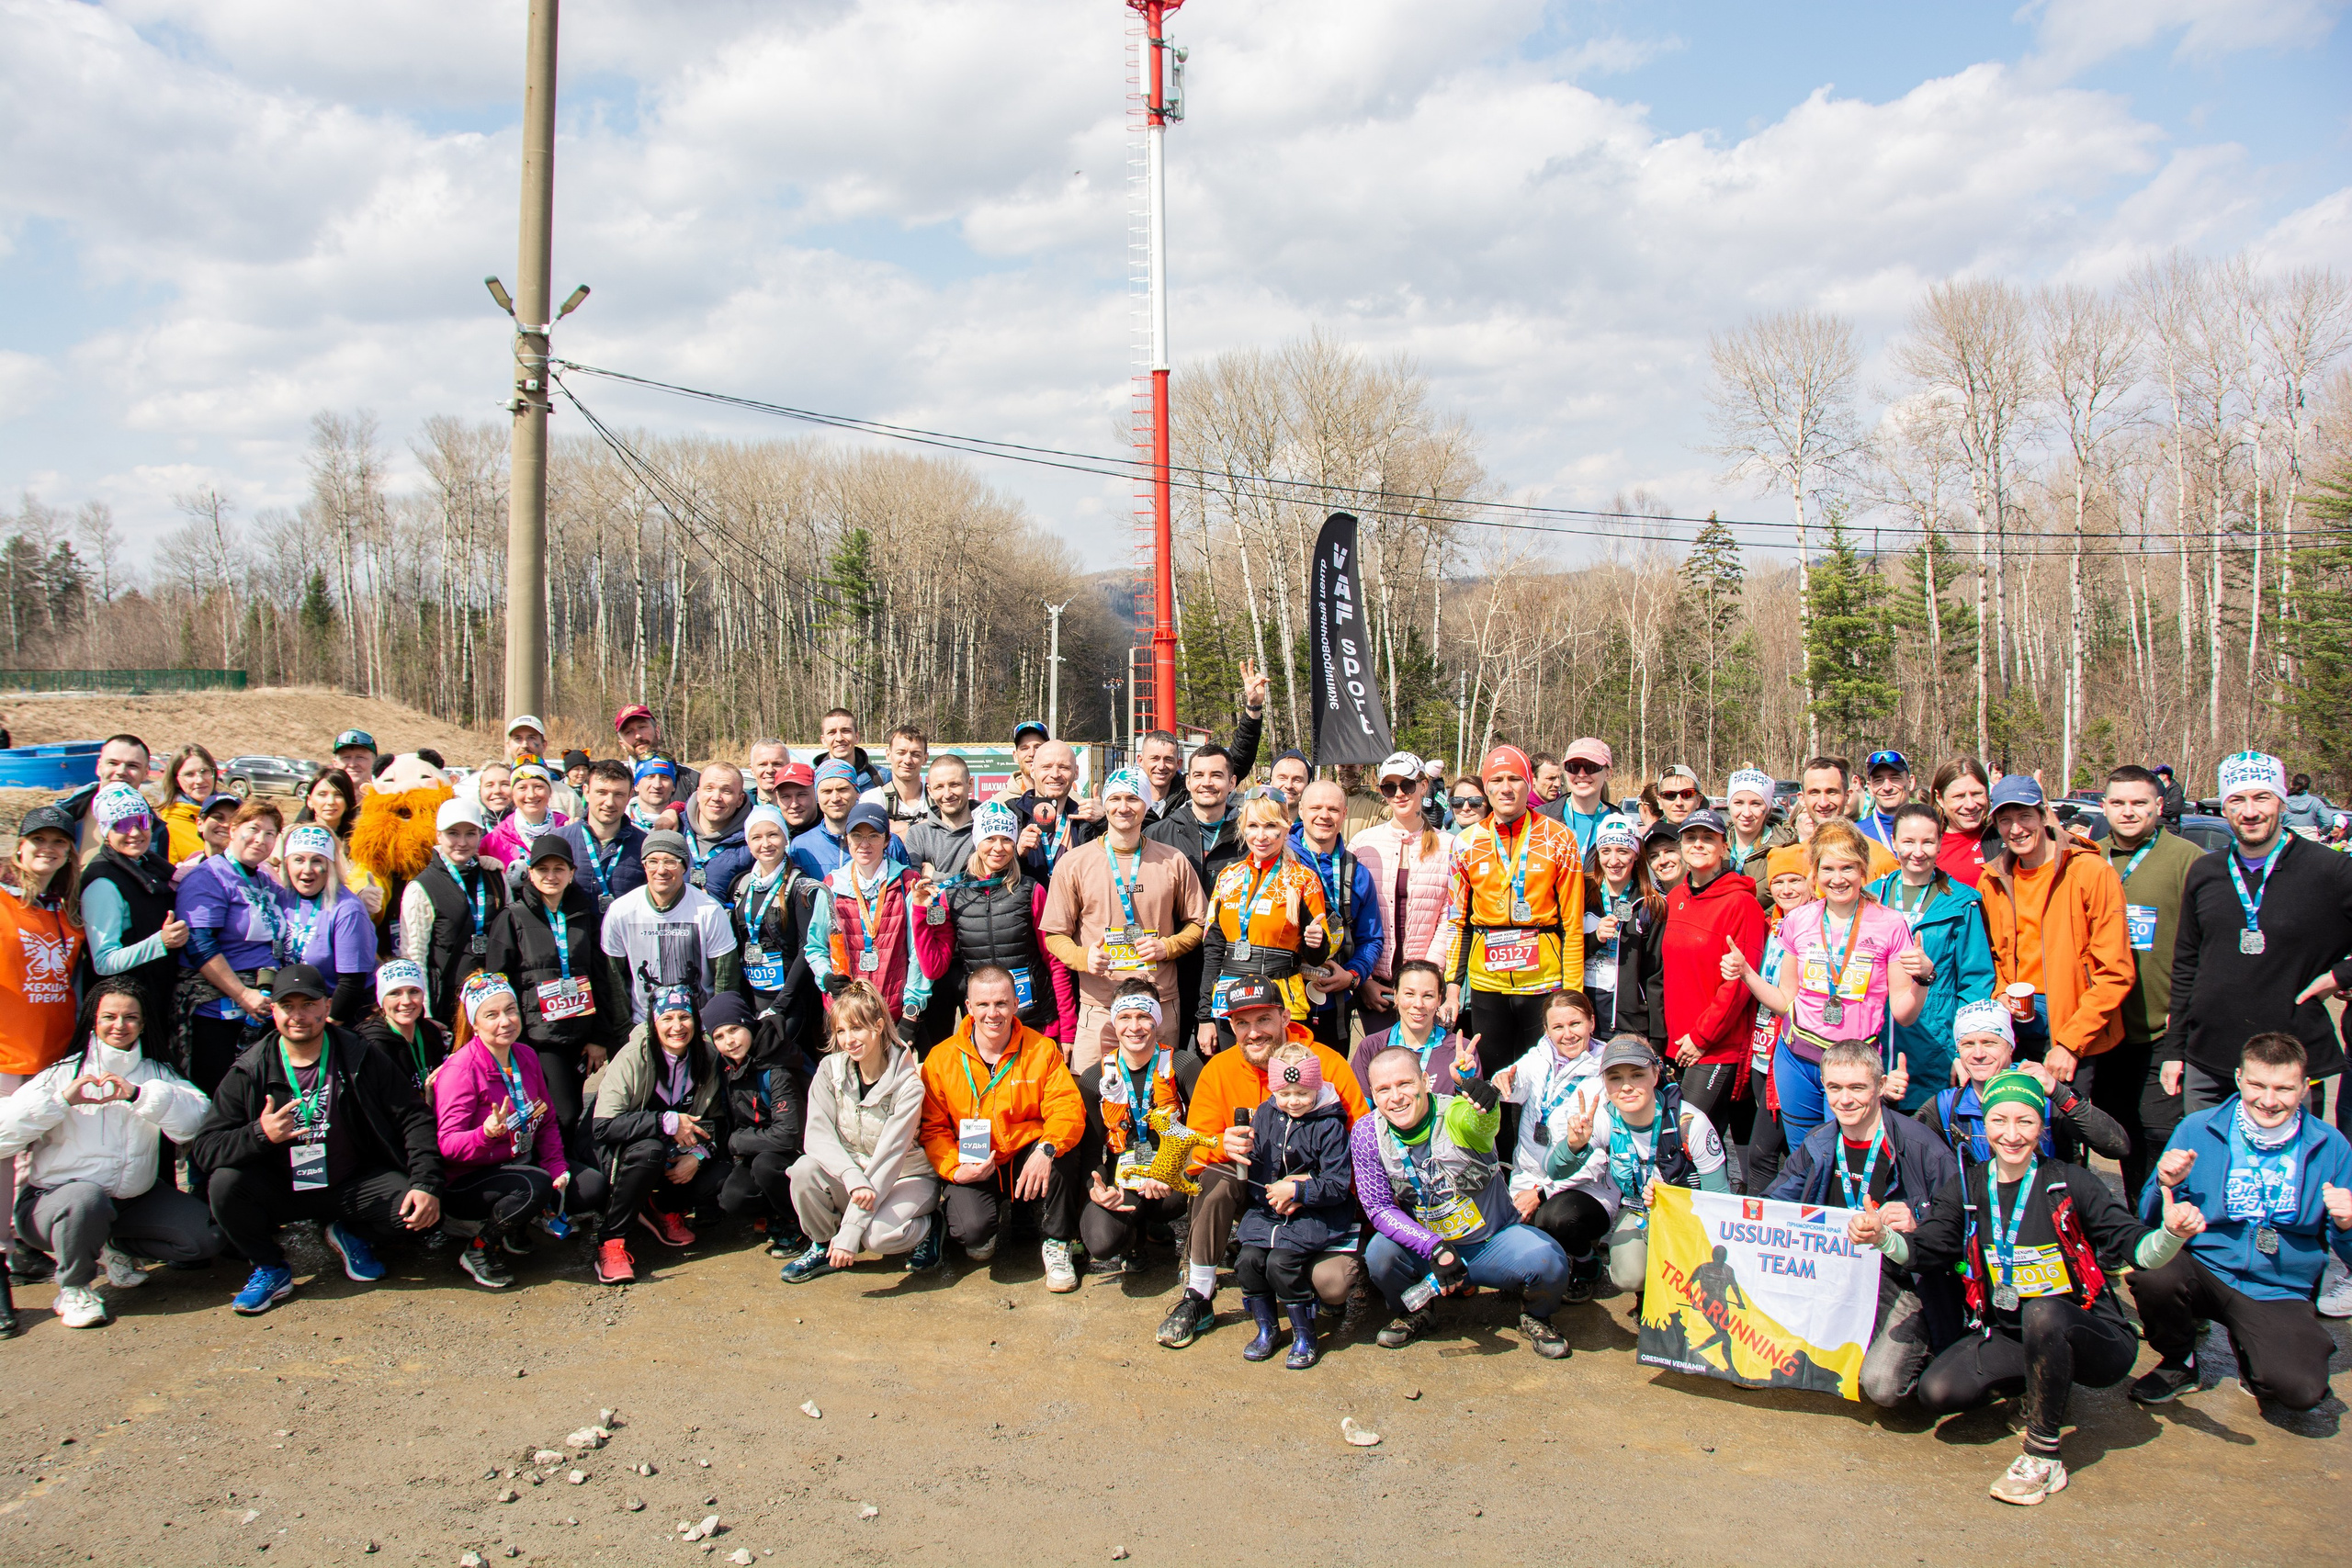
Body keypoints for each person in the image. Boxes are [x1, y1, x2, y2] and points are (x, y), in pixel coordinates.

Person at [1852, 1068, 2204, 1506]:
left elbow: (2141, 1252)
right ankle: (2042, 1385)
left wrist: (2170, 1234)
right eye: (1999, 1121)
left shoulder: (2071, 1182)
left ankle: (2042, 1455)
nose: (2012, 1135)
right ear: (1985, 1123)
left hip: (2093, 1335)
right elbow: (1927, 1249)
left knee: (2045, 1310)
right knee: (1938, 1392)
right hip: (2011, 1330)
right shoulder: (1970, 1185)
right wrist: (1882, 1237)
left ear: (2041, 1126)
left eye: (2025, 1122)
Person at [194, 964, 444, 1315]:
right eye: (288, 1006)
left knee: (419, 1209)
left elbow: (412, 1115)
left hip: (348, 1183)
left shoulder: (358, 1054)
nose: (299, 1016)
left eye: (309, 1004)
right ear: (274, 1011)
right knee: (225, 1184)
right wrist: (260, 1135)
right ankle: (270, 1268)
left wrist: (425, 1182)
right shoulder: (250, 1069)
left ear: (327, 1006)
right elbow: (205, 1149)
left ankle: (351, 1234)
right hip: (281, 1188)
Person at [2128, 1031, 2352, 1406]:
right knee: (2153, 1273)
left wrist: (2347, 1224)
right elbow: (2147, 1219)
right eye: (2257, 1085)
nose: (2268, 1100)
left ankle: (2252, 1350)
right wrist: (2163, 1184)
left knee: (2298, 1392)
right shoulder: (2197, 1128)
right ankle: (2180, 1360)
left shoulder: (2332, 1147)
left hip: (2278, 1287)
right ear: (2238, 1078)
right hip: (2205, 1267)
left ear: (2304, 1087)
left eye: (2283, 1088)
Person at [1156, 977, 1370, 1347]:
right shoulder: (1219, 1070)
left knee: (1332, 1287)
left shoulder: (1328, 1064)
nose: (1253, 1033)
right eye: (1242, 1023)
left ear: (1285, 1016)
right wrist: (1219, 1143)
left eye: (1264, 1020)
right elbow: (1190, 1157)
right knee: (1215, 1179)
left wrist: (1311, 1192)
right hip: (1256, 1199)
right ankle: (1199, 1296)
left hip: (1318, 1203)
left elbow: (1360, 1151)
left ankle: (1308, 1280)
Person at [0, 980, 220, 1328]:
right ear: (92, 1020)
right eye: (110, 1016)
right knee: (86, 1199)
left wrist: (140, 1095)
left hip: (130, 1201)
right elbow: (2, 1135)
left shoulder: (157, 1073)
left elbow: (197, 1124)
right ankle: (73, 1288)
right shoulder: (61, 1074)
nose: (120, 1025)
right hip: (54, 1206)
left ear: (144, 1024)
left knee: (206, 1237)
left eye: (131, 1017)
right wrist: (59, 1102)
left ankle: (109, 1246)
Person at [1764, 1042, 1962, 1407]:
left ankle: (1935, 1354)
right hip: (1840, 1276)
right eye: (1835, 1088)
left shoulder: (1923, 1147)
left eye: (1858, 1087)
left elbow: (1962, 1227)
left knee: (1881, 1385)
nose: (1845, 1099)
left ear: (1881, 1085)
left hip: (1906, 1282)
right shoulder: (1819, 1143)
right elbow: (1772, 1207)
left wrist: (1919, 1221)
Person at [1356, 1034, 1572, 1358]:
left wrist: (1485, 1102)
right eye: (1383, 1089)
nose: (1396, 1097)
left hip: (1491, 1243)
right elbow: (1378, 1207)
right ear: (1372, 1093)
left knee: (1549, 1260)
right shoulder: (1366, 1133)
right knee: (1380, 1256)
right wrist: (1433, 1246)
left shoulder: (1455, 1112)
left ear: (1426, 1081)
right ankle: (1418, 1313)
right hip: (1428, 1247)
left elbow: (1479, 1123)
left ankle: (1535, 1315)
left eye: (1405, 1083)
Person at [2164, 750, 2352, 1117]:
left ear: (2282, 802)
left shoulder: (2329, 870)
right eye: (2237, 799)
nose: (2249, 812)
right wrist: (2174, 1051)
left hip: (2287, 1067)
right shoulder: (2206, 871)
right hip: (2207, 1059)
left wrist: (2340, 975)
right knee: (2206, 1169)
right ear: (2224, 806)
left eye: (2261, 797)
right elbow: (2186, 963)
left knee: (2289, 1172)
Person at [918, 965, 1090, 1289]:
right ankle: (977, 1220)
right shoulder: (940, 1060)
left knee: (1064, 1152)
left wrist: (1047, 1148)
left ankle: (1057, 1243)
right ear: (968, 1007)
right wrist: (956, 1170)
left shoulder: (1042, 1049)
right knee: (973, 1234)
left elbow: (1068, 1108)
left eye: (1001, 1004)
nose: (992, 1014)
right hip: (974, 1159)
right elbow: (933, 1130)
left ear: (1015, 1004)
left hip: (1025, 1153)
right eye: (983, 1005)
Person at [1433, 745, 1586, 1095]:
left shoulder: (1559, 839)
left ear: (1527, 783)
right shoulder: (1466, 843)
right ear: (1486, 788)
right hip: (1488, 985)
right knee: (1492, 1082)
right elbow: (1458, 921)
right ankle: (1497, 1151)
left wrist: (1573, 993)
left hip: (1544, 983)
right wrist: (1453, 989)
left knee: (1540, 1082)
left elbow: (1573, 924)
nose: (1506, 787)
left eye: (1515, 778)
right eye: (1496, 779)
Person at [1540, 1035, 1732, 1303]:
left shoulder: (1691, 1123)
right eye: (1615, 1078)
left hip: (1689, 1215)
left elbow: (1720, 1199)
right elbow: (1554, 1171)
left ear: (1655, 1074)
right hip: (1638, 1209)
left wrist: (1678, 1205)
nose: (1626, 1086)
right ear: (1604, 1084)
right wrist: (1574, 1145)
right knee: (1628, 1276)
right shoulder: (1605, 1118)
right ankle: (1646, 1290)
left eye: (1637, 1075)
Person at [1039, 769, 1207, 1071]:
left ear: (1145, 804)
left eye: (1133, 798)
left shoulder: (1173, 860)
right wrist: (1081, 956)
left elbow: (1200, 923)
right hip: (1100, 1005)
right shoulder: (1074, 863)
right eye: (1114, 798)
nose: (1123, 806)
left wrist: (1167, 947)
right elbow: (1054, 935)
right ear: (1105, 804)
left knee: (1161, 1097)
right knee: (1094, 1097)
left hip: (1159, 1002)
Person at [782, 980, 942, 1281]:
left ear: (879, 1026)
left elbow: (890, 1157)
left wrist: (852, 1230)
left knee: (875, 1238)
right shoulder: (829, 1070)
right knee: (803, 1171)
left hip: (905, 1176)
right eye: (841, 1031)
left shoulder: (908, 1085)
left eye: (856, 1028)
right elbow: (817, 1135)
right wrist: (852, 1177)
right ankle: (824, 1245)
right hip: (856, 1173)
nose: (848, 1040)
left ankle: (929, 1227)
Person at [1979, 774, 2133, 1087]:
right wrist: (1999, 995)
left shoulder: (2091, 872)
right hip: (2016, 1023)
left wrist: (2071, 1044)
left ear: (2044, 814)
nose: (2016, 829)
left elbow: (2116, 972)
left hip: (2072, 1025)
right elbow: (1993, 956)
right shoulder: (1992, 880)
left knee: (2064, 1130)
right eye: (2005, 820)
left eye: (2025, 816)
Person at [483, 833, 620, 1180]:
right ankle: (549, 1178)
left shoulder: (584, 914)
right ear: (529, 873)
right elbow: (498, 982)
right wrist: (509, 1039)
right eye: (542, 868)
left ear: (572, 872)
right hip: (537, 1038)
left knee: (572, 1112)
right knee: (559, 1112)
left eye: (559, 868)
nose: (551, 875)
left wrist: (599, 1035)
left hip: (580, 1031)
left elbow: (600, 976)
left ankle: (567, 1180)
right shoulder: (512, 917)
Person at [2095, 764, 2203, 1202]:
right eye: (2118, 803)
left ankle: (2157, 1232)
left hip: (2161, 1026)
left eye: (2139, 802)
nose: (2128, 812)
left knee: (2160, 1135)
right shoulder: (2086, 854)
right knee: (2114, 1133)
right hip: (2101, 1027)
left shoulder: (2188, 860)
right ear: (2104, 807)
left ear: (2160, 806)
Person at [434, 973, 573, 1289]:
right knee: (534, 1186)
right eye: (492, 1015)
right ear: (475, 1023)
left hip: (517, 1162)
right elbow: (448, 1146)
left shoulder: (524, 1054)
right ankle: (481, 1247)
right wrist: (485, 1133)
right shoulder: (460, 1070)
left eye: (510, 1010)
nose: (505, 1021)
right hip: (468, 1180)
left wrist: (557, 1168)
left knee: (586, 1188)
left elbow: (547, 1118)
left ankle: (515, 1225)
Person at [1234, 1039, 1359, 1369]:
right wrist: (1249, 1158)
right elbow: (1260, 1168)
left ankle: (1305, 1333)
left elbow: (1336, 1183)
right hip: (1270, 1212)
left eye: (1303, 1093)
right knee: (1247, 1260)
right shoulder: (1264, 1113)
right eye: (1285, 1094)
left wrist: (1299, 1193)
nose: (1294, 1102)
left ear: (1316, 1087)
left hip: (1315, 1213)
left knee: (1281, 1264)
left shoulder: (1330, 1124)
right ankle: (1267, 1328)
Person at [590, 983, 726, 1283]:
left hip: (677, 1151)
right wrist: (666, 1122)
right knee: (650, 1150)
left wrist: (699, 1156)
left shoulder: (707, 1055)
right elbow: (602, 1126)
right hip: (626, 1149)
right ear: (654, 1022)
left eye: (684, 1017)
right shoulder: (634, 1055)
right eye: (667, 1019)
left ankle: (663, 1209)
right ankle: (611, 1241)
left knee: (717, 1174)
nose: (677, 1026)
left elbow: (716, 1121)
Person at [1868, 802, 1996, 1112]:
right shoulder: (1871, 897)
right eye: (1909, 841)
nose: (1918, 851)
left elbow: (1976, 982)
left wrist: (1962, 1051)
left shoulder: (1963, 902)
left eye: (1928, 841)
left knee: (1926, 1143)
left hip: (1934, 1046)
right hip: (1874, 1041)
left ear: (1940, 843)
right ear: (1894, 842)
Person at [1658, 809, 1770, 1139]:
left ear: (1724, 846)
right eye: (1691, 838)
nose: (1698, 845)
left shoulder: (1741, 904)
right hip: (1677, 1043)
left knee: (1686, 1140)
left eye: (1709, 838)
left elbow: (1738, 984)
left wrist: (1701, 1037)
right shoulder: (1677, 897)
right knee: (1700, 1144)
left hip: (1714, 1046)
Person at [1917, 1001, 2130, 1167]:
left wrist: (2060, 1093)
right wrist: (1885, 1098)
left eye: (1989, 1042)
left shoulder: (2043, 1094)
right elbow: (1898, 1151)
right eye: (1968, 1044)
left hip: (2042, 1214)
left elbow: (2117, 1146)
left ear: (2011, 1047)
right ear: (1958, 1051)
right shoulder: (1947, 1106)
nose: (1978, 1054)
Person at [1196, 793, 1333, 1049]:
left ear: (1286, 827)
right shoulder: (1228, 877)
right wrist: (1204, 1016)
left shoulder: (1304, 879)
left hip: (1281, 999)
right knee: (1238, 1080)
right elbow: (1213, 949)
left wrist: (1316, 942)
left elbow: (1316, 958)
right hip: (1230, 998)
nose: (1261, 836)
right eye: (1253, 826)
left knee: (1285, 1082)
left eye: (1271, 826)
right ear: (1242, 828)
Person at [1491, 989, 1604, 1294]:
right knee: (1510, 1252)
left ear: (1592, 1023)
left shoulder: (1606, 1070)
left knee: (1557, 1219)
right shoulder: (1540, 1054)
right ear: (1546, 1030)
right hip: (1530, 1177)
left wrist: (1542, 1193)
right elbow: (1519, 1080)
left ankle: (1586, 1261)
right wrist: (1505, 1080)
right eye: (1558, 1027)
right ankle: (1555, 1251)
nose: (1567, 1034)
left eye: (1575, 1024)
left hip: (1583, 1186)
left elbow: (1598, 1158)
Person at [1076, 984, 1192, 1278]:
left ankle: (1194, 1256)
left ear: (1157, 1019)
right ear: (1114, 1022)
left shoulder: (1183, 1065)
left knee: (1187, 1192)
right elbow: (1091, 1153)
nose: (1134, 1027)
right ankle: (1132, 1241)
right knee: (1101, 1242)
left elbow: (1206, 1130)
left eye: (1144, 1016)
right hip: (1123, 1172)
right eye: (1125, 1017)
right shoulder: (1094, 1078)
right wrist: (1095, 1188)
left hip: (1171, 1172)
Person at [803, 801, 953, 1028]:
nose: (864, 844)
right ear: (847, 839)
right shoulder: (832, 885)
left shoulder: (907, 883)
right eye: (856, 835)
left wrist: (912, 1008)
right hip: (846, 1015)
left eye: (873, 835)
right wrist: (825, 977)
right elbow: (816, 946)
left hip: (893, 1013)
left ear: (886, 840)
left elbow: (917, 952)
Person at [174, 798, 284, 1096]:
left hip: (262, 1007)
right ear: (233, 829)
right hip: (219, 1013)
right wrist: (242, 993)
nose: (261, 839)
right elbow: (199, 943)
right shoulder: (208, 876)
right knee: (221, 1102)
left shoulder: (265, 881)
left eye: (271, 833)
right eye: (254, 829)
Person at [1348, 752, 1458, 1038]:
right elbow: (1352, 917)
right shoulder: (1363, 843)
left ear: (1423, 785)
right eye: (1389, 787)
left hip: (1425, 989)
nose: (1399, 794)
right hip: (1376, 986)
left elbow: (1450, 915)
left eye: (1407, 785)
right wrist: (1364, 979)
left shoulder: (1449, 846)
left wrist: (1428, 974)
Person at [79, 784, 189, 1060]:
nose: (135, 832)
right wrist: (160, 942)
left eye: (141, 821)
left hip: (153, 1000)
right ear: (106, 831)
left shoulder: (149, 864)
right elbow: (104, 961)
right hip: (123, 1018)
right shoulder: (103, 882)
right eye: (122, 825)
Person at [940, 801, 1061, 1046]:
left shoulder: (1031, 890)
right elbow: (934, 967)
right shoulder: (952, 894)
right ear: (977, 842)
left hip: (1034, 1022)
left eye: (1006, 839)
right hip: (984, 1024)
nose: (998, 848)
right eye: (989, 839)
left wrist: (1065, 1028)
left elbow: (1054, 961)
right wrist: (921, 913)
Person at [1147, 742, 1246, 1027]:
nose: (1207, 783)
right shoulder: (1158, 835)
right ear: (1188, 781)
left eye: (1216, 775)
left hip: (1232, 965)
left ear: (1232, 782)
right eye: (1199, 775)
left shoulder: (1250, 838)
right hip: (1175, 965)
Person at [601, 830, 740, 1029]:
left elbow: (725, 977)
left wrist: (714, 1029)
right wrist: (624, 1031)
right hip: (643, 1025)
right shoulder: (621, 910)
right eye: (653, 861)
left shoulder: (709, 910)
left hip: (697, 1025)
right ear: (644, 865)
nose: (661, 870)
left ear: (684, 866)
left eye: (670, 861)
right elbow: (614, 979)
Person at [706, 990, 807, 1253]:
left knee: (765, 1166)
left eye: (734, 1029)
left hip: (797, 1152)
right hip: (759, 1147)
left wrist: (736, 1142)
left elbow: (788, 1134)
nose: (729, 1042)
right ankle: (775, 1213)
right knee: (732, 1198)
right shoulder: (727, 1066)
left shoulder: (777, 1066)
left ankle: (799, 1222)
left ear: (748, 1023)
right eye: (719, 1036)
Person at [397, 797, 507, 1030]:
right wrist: (424, 1015)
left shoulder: (495, 876)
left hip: (495, 1003)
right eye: (453, 833)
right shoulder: (421, 887)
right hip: (446, 1006)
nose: (462, 842)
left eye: (470, 834)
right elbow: (414, 956)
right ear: (438, 836)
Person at [1290, 779, 1385, 1052]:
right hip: (1284, 1001)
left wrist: (1353, 975)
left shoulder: (1358, 873)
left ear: (1344, 814)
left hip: (1335, 1003)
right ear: (1302, 811)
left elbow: (1371, 939)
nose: (1324, 815)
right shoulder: (1278, 861)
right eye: (1316, 807)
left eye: (1333, 809)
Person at [730, 804, 824, 1061]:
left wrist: (781, 1005)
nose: (766, 843)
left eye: (773, 834)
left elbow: (807, 948)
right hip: (753, 995)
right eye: (756, 837)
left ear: (785, 838)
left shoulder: (799, 885)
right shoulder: (741, 885)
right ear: (748, 843)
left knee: (781, 1062)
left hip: (791, 999)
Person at [277, 823, 380, 1024]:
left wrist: (325, 1028)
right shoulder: (282, 898)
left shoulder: (347, 909)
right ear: (287, 863)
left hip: (340, 1014)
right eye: (299, 860)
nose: (307, 870)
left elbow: (351, 984)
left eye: (317, 861)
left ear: (330, 866)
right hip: (296, 1011)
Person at [1578, 816, 1665, 1043]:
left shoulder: (1650, 903)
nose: (1613, 860)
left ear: (1636, 854)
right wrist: (1595, 938)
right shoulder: (1581, 892)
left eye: (1623, 851)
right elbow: (1564, 950)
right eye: (1605, 851)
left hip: (1628, 1021)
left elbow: (1655, 974)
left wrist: (1657, 1037)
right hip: (1583, 1014)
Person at [291, 768, 387, 917]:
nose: (330, 802)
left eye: (338, 795)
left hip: (346, 917)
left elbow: (366, 876)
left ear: (348, 801)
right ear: (309, 800)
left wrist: (364, 894)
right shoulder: (292, 838)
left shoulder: (362, 842)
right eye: (322, 794)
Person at [559, 758, 649, 912]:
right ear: (586, 791)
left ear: (629, 796)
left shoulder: (645, 845)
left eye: (618, 794)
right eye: (602, 792)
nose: (609, 802)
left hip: (624, 935)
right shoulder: (560, 841)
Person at [792, 760, 901, 880]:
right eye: (827, 791)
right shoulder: (800, 846)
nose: (835, 798)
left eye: (842, 789)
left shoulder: (889, 843)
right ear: (817, 796)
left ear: (857, 792)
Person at [1790, 757, 1898, 878]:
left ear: (1847, 796)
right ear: (1802, 798)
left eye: (1831, 792)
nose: (1823, 802)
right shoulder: (1791, 860)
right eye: (1814, 792)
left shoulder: (1878, 859)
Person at [360, 959, 449, 1100]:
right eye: (395, 993)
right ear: (381, 1000)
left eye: (414, 991)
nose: (407, 1001)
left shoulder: (430, 1031)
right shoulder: (372, 1045)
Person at [680, 761, 754, 901]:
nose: (716, 797)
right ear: (698, 793)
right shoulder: (675, 830)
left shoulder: (753, 843)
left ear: (740, 799)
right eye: (709, 788)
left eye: (726, 791)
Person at [481, 761, 571, 876]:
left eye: (538, 786)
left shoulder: (568, 827)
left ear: (550, 791)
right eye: (522, 788)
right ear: (513, 794)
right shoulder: (494, 839)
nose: (531, 795)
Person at [902, 752, 978, 881]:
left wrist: (936, 876)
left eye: (954, 784)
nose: (947, 794)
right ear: (930, 791)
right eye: (939, 787)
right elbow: (914, 886)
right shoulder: (918, 835)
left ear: (970, 784)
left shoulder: (986, 829)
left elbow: (988, 886)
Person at [614, 703, 699, 801]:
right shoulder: (613, 782)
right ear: (622, 744)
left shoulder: (691, 779)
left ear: (657, 731)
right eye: (628, 732)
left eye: (642, 727)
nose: (638, 736)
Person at [1931, 756, 1994, 886]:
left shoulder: (2002, 838)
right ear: (1939, 798)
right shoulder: (1926, 847)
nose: (1970, 805)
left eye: (1977, 794)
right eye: (1959, 796)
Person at [1721, 768, 1781, 900]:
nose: (1746, 813)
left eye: (1756, 804)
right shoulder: (1714, 843)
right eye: (1738, 803)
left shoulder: (1784, 848)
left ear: (1768, 808)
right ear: (1729, 805)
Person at [1545, 739, 1614, 852]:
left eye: (1591, 766)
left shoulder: (1621, 825)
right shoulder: (1540, 818)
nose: (1581, 774)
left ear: (1608, 773)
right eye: (1573, 767)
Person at [157, 744, 220, 864]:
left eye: (204, 771)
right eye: (189, 774)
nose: (200, 780)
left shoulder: (233, 815)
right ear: (175, 780)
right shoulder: (168, 827)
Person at [858, 725, 931, 826]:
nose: (908, 761)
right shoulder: (872, 799)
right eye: (901, 753)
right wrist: (929, 825)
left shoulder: (936, 798)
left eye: (915, 754)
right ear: (888, 755)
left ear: (925, 759)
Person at [1857, 750, 1915, 850]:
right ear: (1870, 787)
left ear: (1910, 782)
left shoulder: (1932, 827)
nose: (1887, 787)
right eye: (1878, 780)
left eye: (1895, 778)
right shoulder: (1857, 834)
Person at [818, 707, 880, 791]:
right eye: (832, 732)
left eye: (845, 731)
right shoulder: (811, 781)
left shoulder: (882, 778)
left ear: (857, 737)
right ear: (824, 740)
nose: (839, 738)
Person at [628, 758, 678, 831]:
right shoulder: (618, 820)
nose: (657, 785)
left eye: (664, 778)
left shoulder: (685, 822)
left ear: (673, 786)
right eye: (650, 777)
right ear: (636, 785)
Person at [1653, 764, 1703, 829]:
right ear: (1660, 802)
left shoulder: (1714, 834)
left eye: (1687, 794)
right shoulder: (1650, 837)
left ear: (1698, 800)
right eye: (1670, 795)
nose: (1679, 803)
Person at [332, 729, 377, 797]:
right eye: (346, 757)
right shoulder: (325, 802)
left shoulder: (388, 801)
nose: (352, 764)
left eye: (360, 757)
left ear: (375, 763)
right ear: (335, 763)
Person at [474, 760, 514, 831]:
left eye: (505, 784)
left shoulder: (529, 827)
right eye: (489, 785)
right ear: (480, 791)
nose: (497, 791)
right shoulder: (473, 827)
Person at [1268, 750, 1313, 814]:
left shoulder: (1316, 822)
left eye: (1297, 780)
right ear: (1271, 781)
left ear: (1308, 785)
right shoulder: (1254, 819)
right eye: (1282, 778)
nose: (1289, 786)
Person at [1445, 776, 1487, 841]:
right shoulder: (1438, 842)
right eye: (1458, 801)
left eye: (1474, 801)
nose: (1465, 808)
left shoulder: (1501, 841)